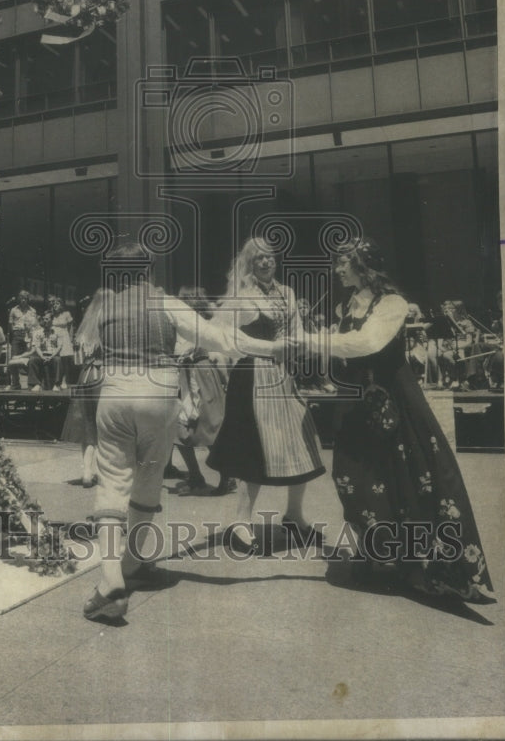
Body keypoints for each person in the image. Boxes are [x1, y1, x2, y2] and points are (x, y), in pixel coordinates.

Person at [85, 241, 294, 624]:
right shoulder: (165, 303)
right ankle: (132, 563)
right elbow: (220, 339)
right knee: (149, 478)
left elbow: (87, 347)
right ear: (149, 272)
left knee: (113, 481)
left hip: (115, 393)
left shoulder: (104, 306)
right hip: (160, 396)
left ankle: (111, 580)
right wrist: (272, 346)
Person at [324, 239, 495, 603]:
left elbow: (366, 343)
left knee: (406, 476)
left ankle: (419, 566)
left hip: (395, 400)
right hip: (356, 404)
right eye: (337, 264)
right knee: (356, 478)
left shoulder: (393, 304)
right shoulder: (343, 306)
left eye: (344, 263)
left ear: (363, 266)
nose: (338, 270)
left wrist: (312, 341)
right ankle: (375, 551)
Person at [207, 237, 325, 553]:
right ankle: (241, 522)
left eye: (269, 257)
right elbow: (221, 338)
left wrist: (303, 345)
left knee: (302, 442)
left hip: (285, 376)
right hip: (252, 380)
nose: (265, 262)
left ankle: (294, 516)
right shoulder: (241, 298)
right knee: (253, 450)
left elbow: (297, 330)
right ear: (249, 263)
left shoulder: (287, 293)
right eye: (258, 258)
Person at [171, 286, 234, 497]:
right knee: (180, 432)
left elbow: (220, 355)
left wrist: (226, 381)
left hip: (203, 376)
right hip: (185, 377)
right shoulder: (179, 326)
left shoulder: (204, 325)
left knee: (210, 429)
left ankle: (227, 477)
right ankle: (196, 476)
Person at [61, 290, 107, 487]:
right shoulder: (110, 324)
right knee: (106, 427)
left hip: (85, 375)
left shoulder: (85, 326)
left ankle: (87, 471)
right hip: (104, 375)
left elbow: (77, 358)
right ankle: (103, 472)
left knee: (87, 425)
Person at [8, 291, 38, 389]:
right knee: (13, 359)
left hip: (29, 335)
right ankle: (15, 383)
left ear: (28, 299)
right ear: (19, 299)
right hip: (17, 334)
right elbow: (10, 325)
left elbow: (35, 325)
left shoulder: (33, 311)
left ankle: (31, 384)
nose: (23, 300)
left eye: (25, 298)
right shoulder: (13, 310)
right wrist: (15, 335)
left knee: (30, 359)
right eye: (21, 298)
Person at [28, 311, 62, 391]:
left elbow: (59, 347)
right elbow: (37, 347)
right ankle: (36, 384)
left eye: (47, 319)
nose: (44, 321)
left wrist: (51, 356)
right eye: (44, 319)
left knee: (58, 360)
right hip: (42, 355)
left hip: (53, 355)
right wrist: (42, 356)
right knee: (32, 360)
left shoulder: (58, 331)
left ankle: (56, 385)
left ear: (52, 320)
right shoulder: (37, 332)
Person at [49, 295, 75, 389]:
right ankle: (55, 381)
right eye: (54, 304)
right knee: (56, 359)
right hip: (54, 338)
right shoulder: (52, 314)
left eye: (58, 303)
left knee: (65, 360)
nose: (55, 305)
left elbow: (71, 327)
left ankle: (64, 381)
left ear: (61, 305)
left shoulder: (66, 314)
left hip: (64, 337)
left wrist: (71, 339)